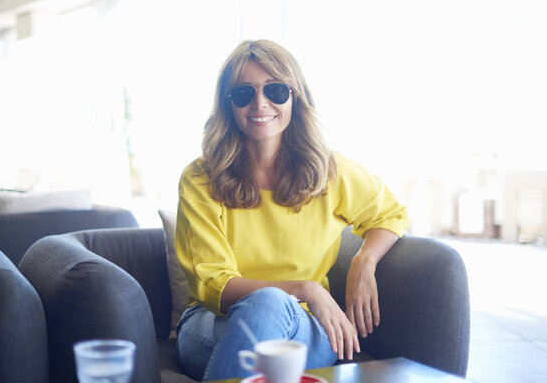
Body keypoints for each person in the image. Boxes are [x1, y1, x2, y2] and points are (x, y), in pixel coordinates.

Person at [175, 39, 410, 381]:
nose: (260, 103)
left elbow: (391, 214)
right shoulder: (200, 179)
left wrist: (365, 260)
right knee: (266, 303)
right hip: (212, 324)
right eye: (243, 93)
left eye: (275, 90)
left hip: (304, 329)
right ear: (228, 104)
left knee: (267, 313)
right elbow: (214, 284)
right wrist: (305, 289)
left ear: (295, 97)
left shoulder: (331, 171)